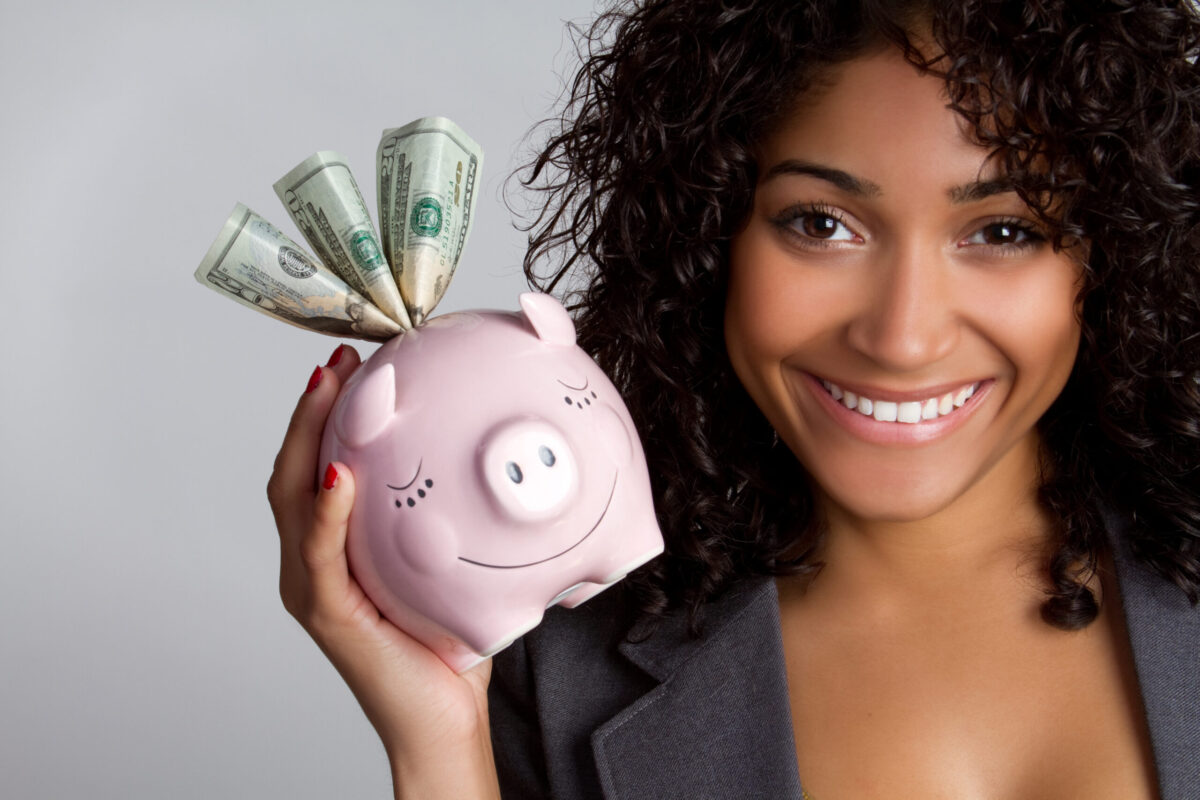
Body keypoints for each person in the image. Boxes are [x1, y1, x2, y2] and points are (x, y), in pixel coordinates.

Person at [266, 0, 1200, 797]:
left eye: (1002, 229)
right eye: (821, 223)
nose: (903, 335)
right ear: (710, 235)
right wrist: (439, 750)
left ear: (1114, 250)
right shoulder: (552, 666)